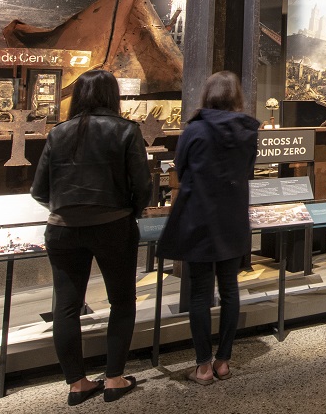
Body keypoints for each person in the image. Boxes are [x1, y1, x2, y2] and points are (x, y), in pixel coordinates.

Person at [31, 69, 151, 405]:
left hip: (63, 229)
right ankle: (114, 377)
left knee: (66, 307)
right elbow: (142, 186)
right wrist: (130, 211)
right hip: (114, 225)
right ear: (113, 96)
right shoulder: (127, 131)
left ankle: (77, 383)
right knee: (122, 301)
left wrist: (67, 209)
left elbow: (39, 190)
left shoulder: (59, 133)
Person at [157, 72, 260, 385]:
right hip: (233, 218)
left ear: (208, 95)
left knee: (200, 293)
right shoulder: (247, 131)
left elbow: (180, 167)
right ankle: (224, 361)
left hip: (199, 218)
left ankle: (203, 366)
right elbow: (248, 170)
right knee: (230, 289)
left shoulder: (195, 129)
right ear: (236, 97)